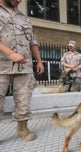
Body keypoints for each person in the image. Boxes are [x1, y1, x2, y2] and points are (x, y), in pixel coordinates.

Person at [0, 0, 44, 141]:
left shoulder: (23, 17)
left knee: (24, 97)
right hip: (2, 65)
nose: (19, 0)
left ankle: (23, 127)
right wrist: (10, 53)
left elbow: (32, 41)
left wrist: (39, 61)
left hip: (24, 65)